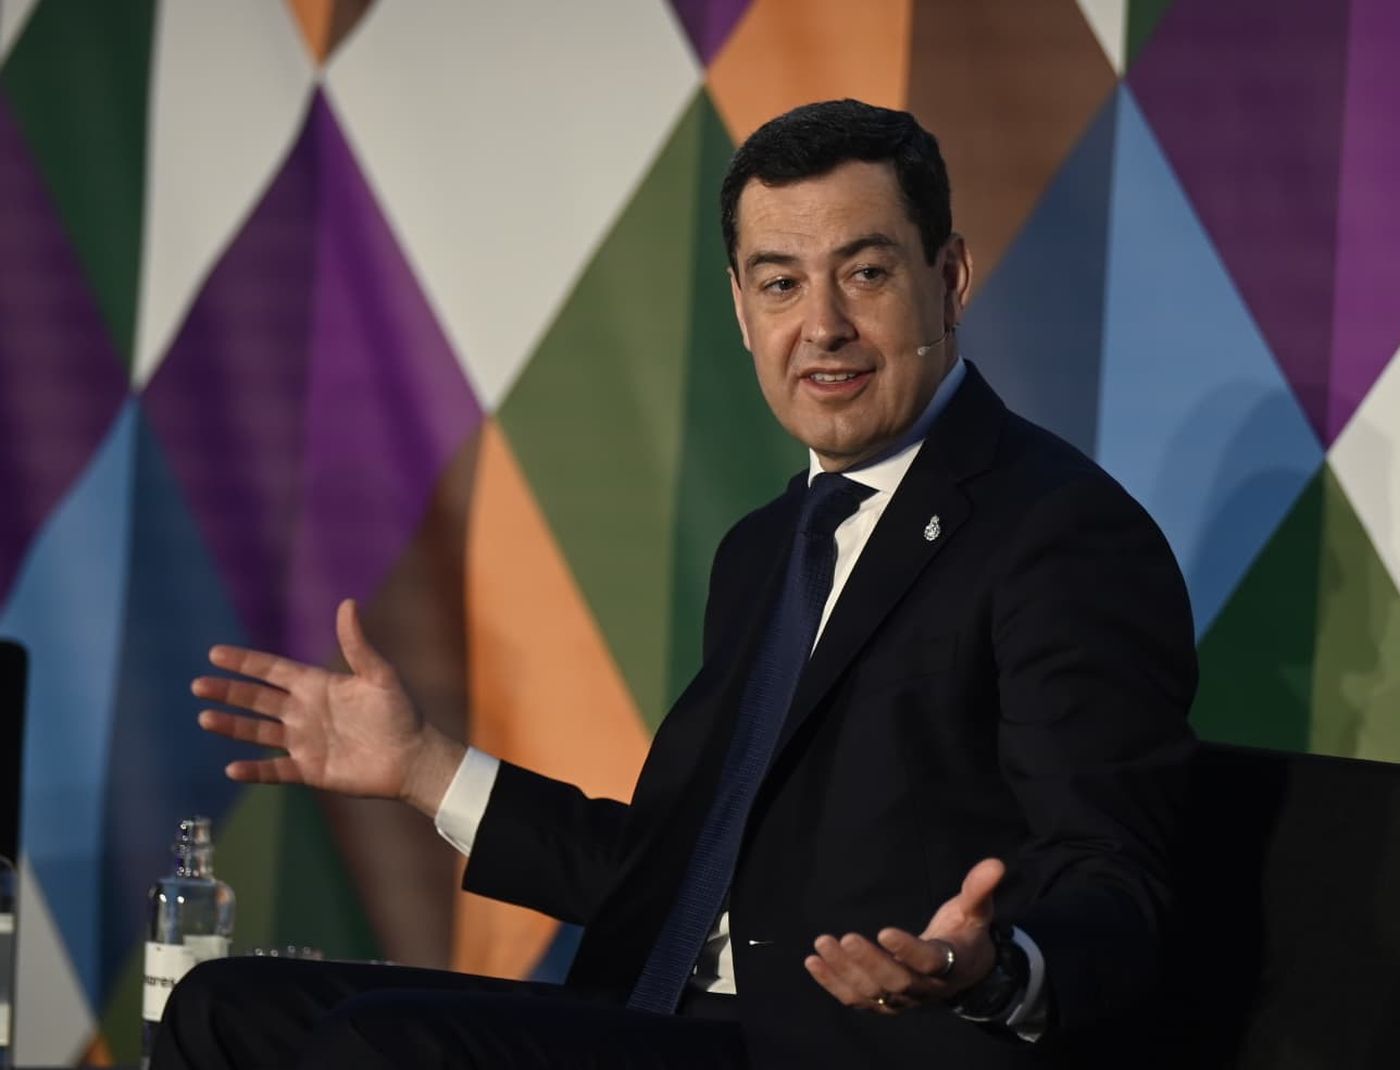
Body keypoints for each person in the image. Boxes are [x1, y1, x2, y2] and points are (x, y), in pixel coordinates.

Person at [153, 99, 1197, 1069]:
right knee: (223, 1008)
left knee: (379, 1048)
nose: (821, 324)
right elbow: (671, 871)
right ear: (743, 311)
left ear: (950, 276)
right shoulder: (765, 547)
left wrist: (995, 965)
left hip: (840, 1045)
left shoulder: (1056, 531)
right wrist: (427, 766)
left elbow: (1116, 877)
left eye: (866, 273)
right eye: (780, 281)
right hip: (665, 1014)